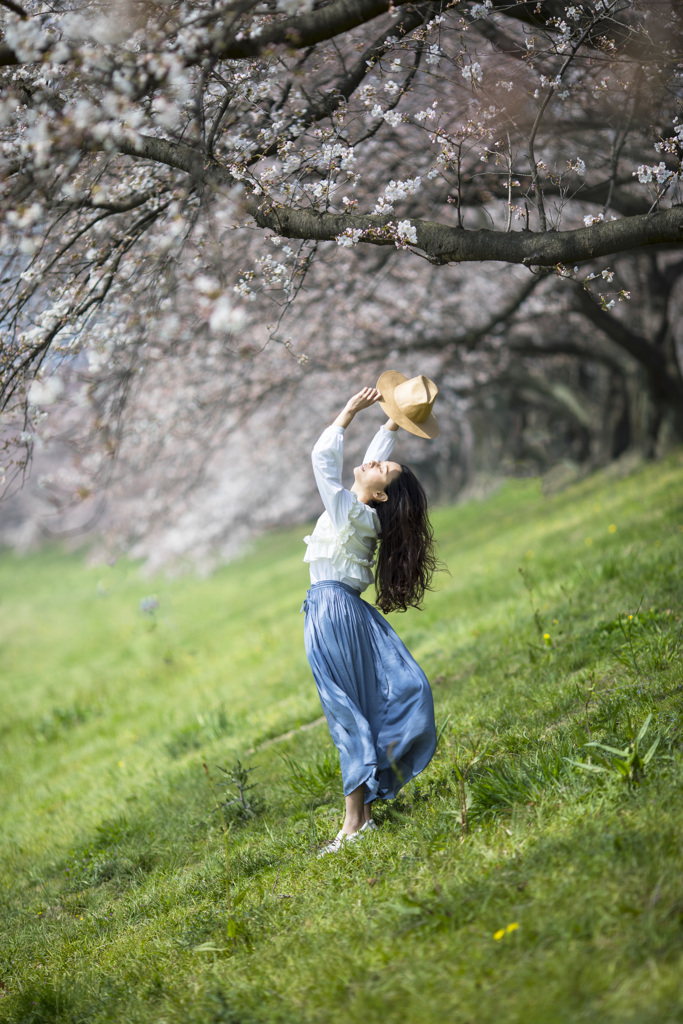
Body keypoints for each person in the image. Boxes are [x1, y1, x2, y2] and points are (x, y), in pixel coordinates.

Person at [301, 376, 441, 856]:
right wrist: (392, 421)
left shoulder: (349, 511)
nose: (373, 463)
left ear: (379, 494)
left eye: (382, 468)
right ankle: (357, 820)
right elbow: (373, 466)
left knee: (347, 713)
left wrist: (347, 414)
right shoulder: (365, 512)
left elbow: (323, 461)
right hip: (344, 613)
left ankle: (352, 826)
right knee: (355, 709)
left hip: (332, 612)